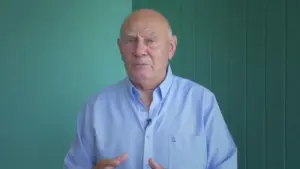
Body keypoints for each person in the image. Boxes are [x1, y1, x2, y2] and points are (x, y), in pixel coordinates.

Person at [64, 9, 237, 169]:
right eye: (131, 41)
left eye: (150, 41)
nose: (139, 51)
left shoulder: (202, 102)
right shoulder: (96, 107)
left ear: (171, 47)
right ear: (120, 48)